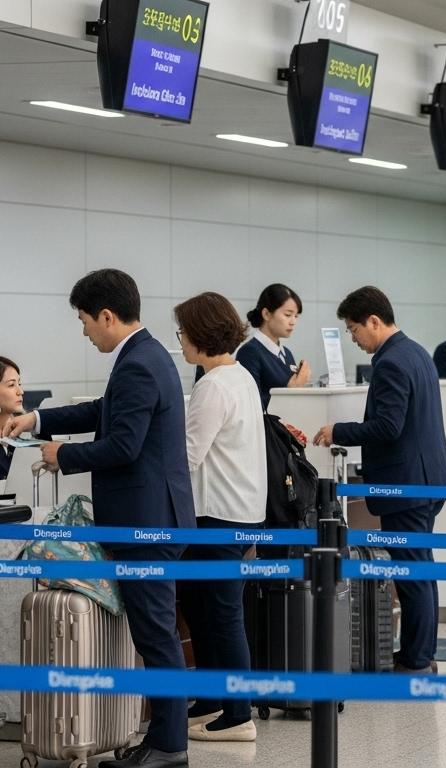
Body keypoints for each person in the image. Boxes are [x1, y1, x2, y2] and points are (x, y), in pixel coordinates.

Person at [2, 269, 194, 768]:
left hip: (147, 523)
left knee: (155, 635)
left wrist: (60, 455)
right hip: (156, 517)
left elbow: (123, 446)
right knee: (156, 633)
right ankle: (164, 738)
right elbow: (102, 412)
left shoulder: (138, 364)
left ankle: (170, 746)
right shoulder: (146, 355)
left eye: (86, 321)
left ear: (107, 316)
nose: (85, 331)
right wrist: (39, 420)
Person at [313, 287, 446, 673]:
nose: (354, 338)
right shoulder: (417, 352)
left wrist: (338, 430)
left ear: (374, 320)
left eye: (354, 328)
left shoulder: (391, 362)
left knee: (411, 572)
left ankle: (418, 658)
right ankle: (421, 652)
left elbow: (388, 426)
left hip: (407, 486)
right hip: (428, 479)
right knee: (420, 567)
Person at [175, 292, 266, 744]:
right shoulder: (240, 376)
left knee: (223, 613)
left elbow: (188, 454)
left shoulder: (212, 385)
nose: (181, 341)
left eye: (183, 333)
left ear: (199, 334)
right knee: (201, 607)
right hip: (237, 511)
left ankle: (238, 714)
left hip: (219, 515)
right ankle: (213, 699)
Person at [237, 283, 311, 408]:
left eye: (296, 316)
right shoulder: (249, 352)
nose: (293, 322)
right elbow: (251, 405)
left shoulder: (286, 353)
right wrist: (290, 391)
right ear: (266, 314)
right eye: (288, 315)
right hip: (265, 426)